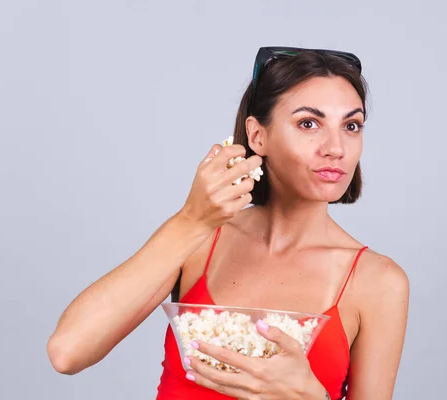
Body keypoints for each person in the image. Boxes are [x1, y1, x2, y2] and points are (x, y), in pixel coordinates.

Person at [47, 46, 410, 400]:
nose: (335, 147)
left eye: (351, 125)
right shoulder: (201, 238)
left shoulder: (378, 282)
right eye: (308, 123)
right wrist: (192, 220)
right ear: (257, 136)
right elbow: (68, 351)